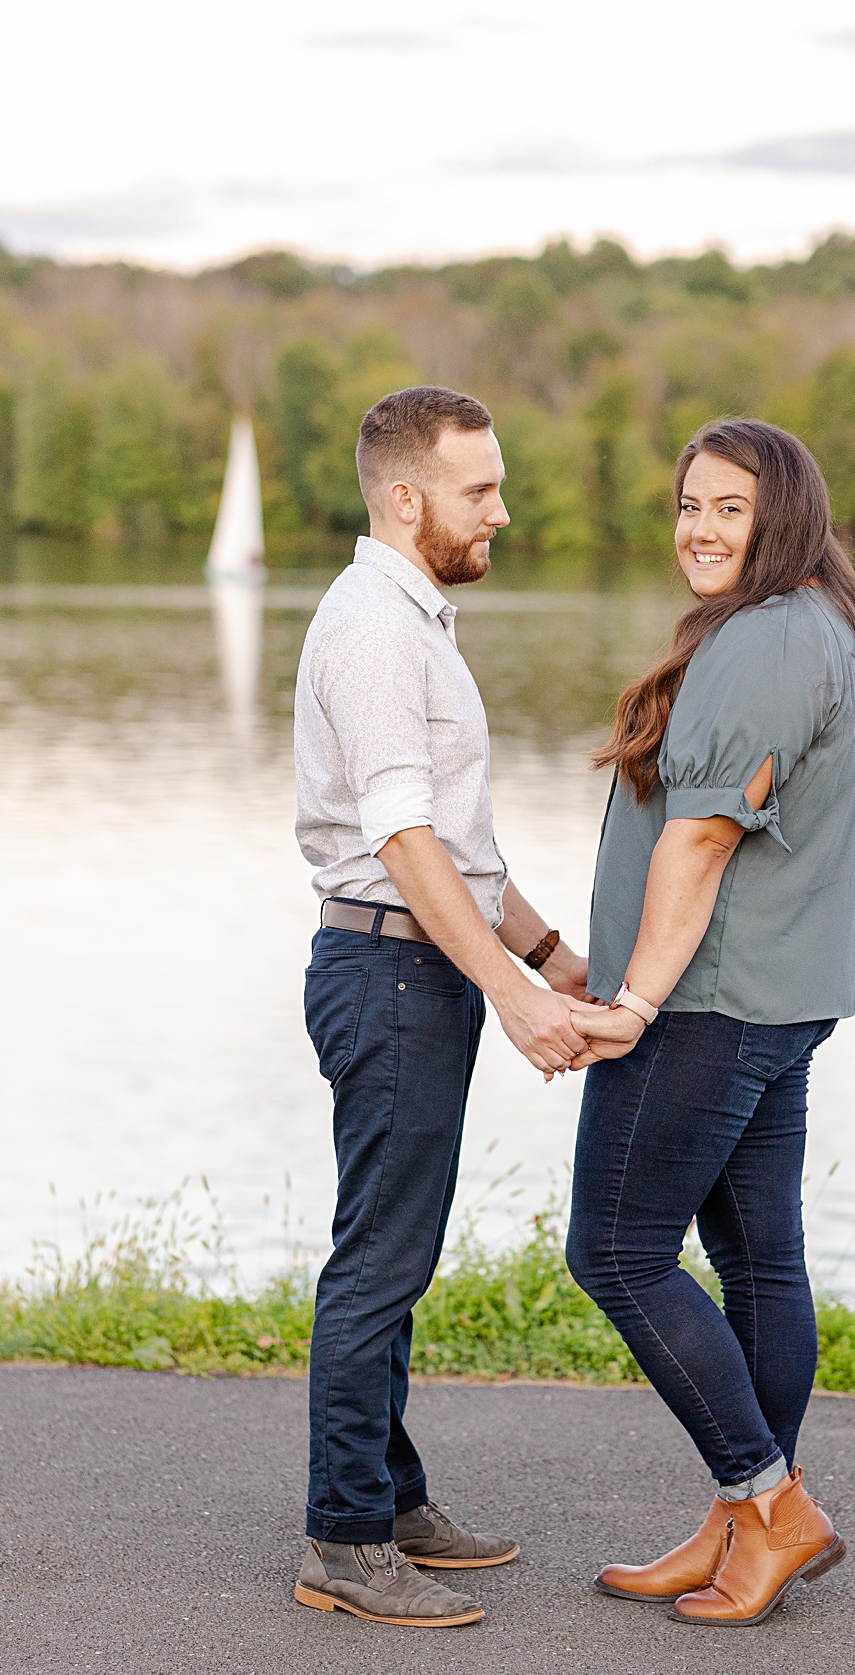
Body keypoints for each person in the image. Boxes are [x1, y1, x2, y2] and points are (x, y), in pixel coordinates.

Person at [564, 417, 855, 1627]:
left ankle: (769, 1503)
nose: (701, 531)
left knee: (613, 1251)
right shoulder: (812, 623)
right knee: (759, 1257)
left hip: (707, 1007)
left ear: (784, 519)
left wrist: (633, 1004)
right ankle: (740, 1529)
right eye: (689, 506)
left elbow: (703, 837)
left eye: (729, 509)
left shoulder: (769, 640)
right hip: (773, 1005)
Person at [292, 386, 590, 1630]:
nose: (504, 512)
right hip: (392, 971)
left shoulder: (415, 619)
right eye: (482, 490)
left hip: (422, 964)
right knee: (380, 1258)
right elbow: (404, 840)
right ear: (407, 498)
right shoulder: (375, 628)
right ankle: (346, 1543)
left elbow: (457, 843)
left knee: (397, 1251)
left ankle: (392, 1496)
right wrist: (510, 993)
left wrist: (549, 949)